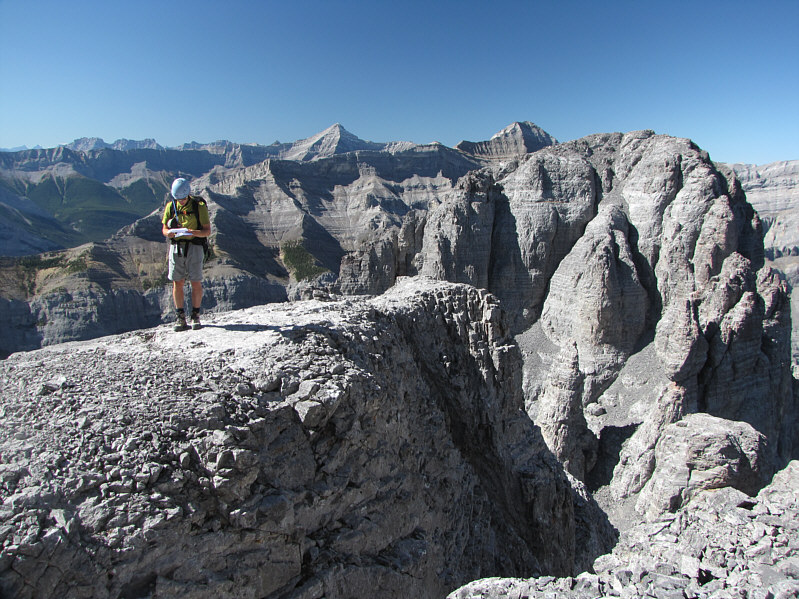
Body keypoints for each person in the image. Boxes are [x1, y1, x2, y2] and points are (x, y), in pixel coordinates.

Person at [161, 177, 212, 331]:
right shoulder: (171, 206)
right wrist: (168, 233)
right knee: (177, 281)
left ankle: (195, 315)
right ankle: (180, 317)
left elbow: (207, 231)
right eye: (178, 199)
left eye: (183, 199)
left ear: (188, 195)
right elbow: (163, 229)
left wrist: (192, 232)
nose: (181, 201)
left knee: (195, 281)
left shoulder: (199, 206)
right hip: (176, 246)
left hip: (195, 246)